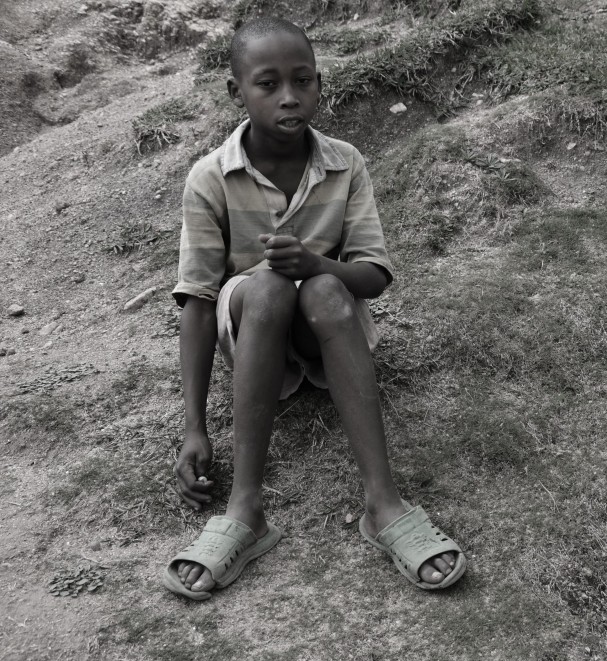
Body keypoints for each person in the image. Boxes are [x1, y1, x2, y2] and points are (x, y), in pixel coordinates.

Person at [162, 17, 465, 599]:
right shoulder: (209, 178)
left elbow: (373, 276)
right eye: (268, 84)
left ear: (320, 83)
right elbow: (198, 303)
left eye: (302, 81)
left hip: (327, 331)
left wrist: (318, 265)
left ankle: (383, 503)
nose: (289, 97)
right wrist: (194, 427)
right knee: (271, 285)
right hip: (257, 339)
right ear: (236, 92)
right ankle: (244, 510)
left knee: (323, 287)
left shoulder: (345, 162)